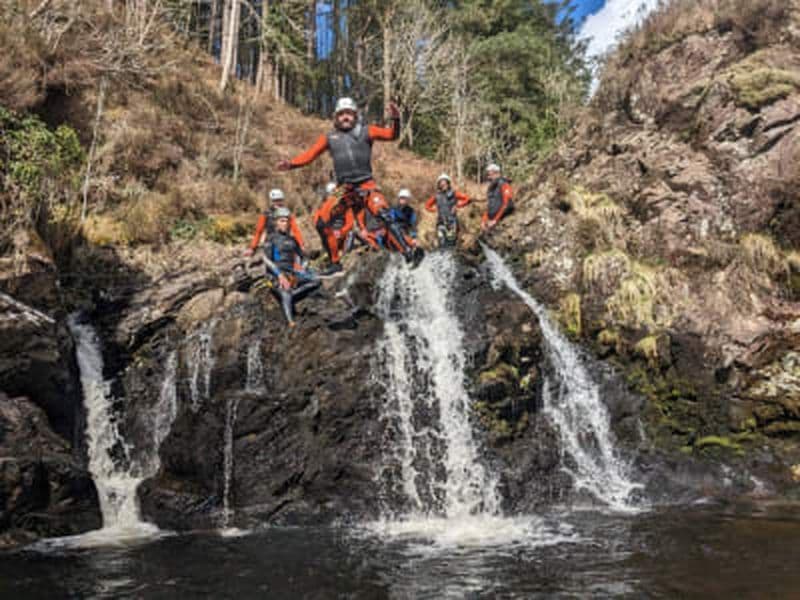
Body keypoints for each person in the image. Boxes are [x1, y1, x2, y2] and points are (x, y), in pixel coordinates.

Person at [276, 97, 423, 266]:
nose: (345, 117)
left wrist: (396, 119)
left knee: (385, 215)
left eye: (349, 114)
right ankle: (335, 263)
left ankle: (408, 251)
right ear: (336, 117)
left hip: (367, 185)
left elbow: (392, 135)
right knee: (321, 222)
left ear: (355, 115)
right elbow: (310, 155)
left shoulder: (367, 131)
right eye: (341, 114)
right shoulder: (330, 137)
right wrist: (291, 164)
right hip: (344, 189)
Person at [263, 207, 320, 327]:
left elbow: (304, 258)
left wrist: (302, 270)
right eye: (282, 221)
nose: (285, 223)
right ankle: (290, 321)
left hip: (291, 273)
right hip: (274, 275)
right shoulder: (271, 238)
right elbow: (266, 259)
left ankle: (292, 297)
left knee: (316, 280)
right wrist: (279, 275)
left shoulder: (292, 240)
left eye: (287, 221)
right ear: (276, 222)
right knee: (285, 291)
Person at [244, 188, 304, 257]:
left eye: (280, 200)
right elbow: (259, 231)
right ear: (272, 201)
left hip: (285, 242)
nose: (278, 203)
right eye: (275, 200)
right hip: (271, 243)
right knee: (275, 262)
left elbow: (295, 230)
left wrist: (301, 244)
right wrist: (252, 247)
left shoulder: (288, 213)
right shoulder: (266, 214)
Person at [313, 182, 354, 274]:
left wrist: (341, 232)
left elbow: (350, 223)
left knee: (351, 234)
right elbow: (317, 221)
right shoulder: (324, 207)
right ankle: (330, 262)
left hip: (343, 236)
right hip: (330, 237)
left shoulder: (346, 207)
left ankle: (340, 260)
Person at [424, 174, 470, 248]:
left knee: (451, 243)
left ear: (448, 183)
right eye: (441, 183)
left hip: (452, 221)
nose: (443, 185)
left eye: (445, 183)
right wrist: (434, 210)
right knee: (441, 242)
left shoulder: (454, 193)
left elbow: (467, 198)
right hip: (440, 222)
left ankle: (451, 257)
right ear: (439, 185)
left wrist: (458, 206)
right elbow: (427, 206)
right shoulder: (437, 196)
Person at [481, 163, 514, 234]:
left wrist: (495, 220)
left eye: (490, 172)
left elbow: (507, 204)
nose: (488, 175)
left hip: (501, 222)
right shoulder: (492, 187)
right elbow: (490, 206)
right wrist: (484, 220)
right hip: (490, 222)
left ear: (496, 172)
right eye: (488, 172)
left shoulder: (504, 184)